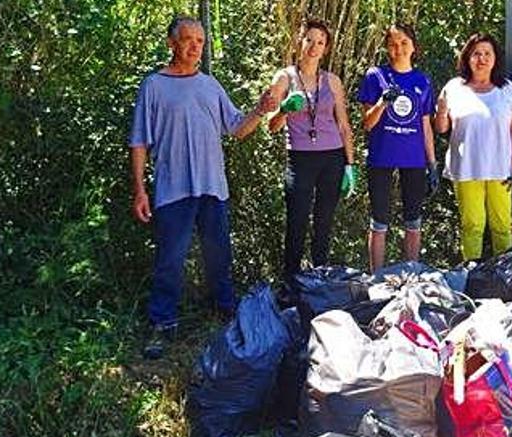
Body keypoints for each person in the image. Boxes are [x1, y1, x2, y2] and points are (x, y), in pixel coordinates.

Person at [129, 16, 277, 359]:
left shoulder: (210, 85)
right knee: (170, 260)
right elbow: (138, 142)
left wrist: (260, 109)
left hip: (213, 188)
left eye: (200, 41)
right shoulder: (153, 86)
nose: (195, 46)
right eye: (188, 39)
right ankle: (163, 323)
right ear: (171, 43)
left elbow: (238, 129)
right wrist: (139, 190)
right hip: (172, 189)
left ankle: (225, 312)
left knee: (219, 255)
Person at [268, 18, 356, 282]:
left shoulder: (333, 81)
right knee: (296, 222)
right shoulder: (285, 77)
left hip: (332, 157)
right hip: (301, 158)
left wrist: (349, 164)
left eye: (320, 42)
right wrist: (283, 109)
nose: (314, 46)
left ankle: (321, 281)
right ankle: (291, 283)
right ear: (300, 40)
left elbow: (343, 124)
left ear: (326, 47)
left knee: (324, 223)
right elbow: (271, 125)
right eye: (310, 39)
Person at [435, 33, 512, 261]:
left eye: (487, 53)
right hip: (466, 169)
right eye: (476, 54)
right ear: (467, 58)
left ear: (495, 59)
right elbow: (441, 128)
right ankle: (471, 275)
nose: (482, 59)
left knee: (503, 226)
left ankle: (503, 275)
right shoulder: (454, 87)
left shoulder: (506, 89)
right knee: (472, 226)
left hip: (501, 168)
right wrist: (441, 109)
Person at [358, 24, 437, 273]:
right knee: (379, 222)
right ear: (387, 48)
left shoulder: (422, 81)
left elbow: (425, 125)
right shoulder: (375, 76)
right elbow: (367, 124)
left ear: (413, 46)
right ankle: (376, 278)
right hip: (381, 158)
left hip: (413, 159)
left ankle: (411, 274)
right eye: (393, 43)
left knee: (413, 221)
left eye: (404, 42)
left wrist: (432, 163)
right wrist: (382, 103)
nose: (399, 48)